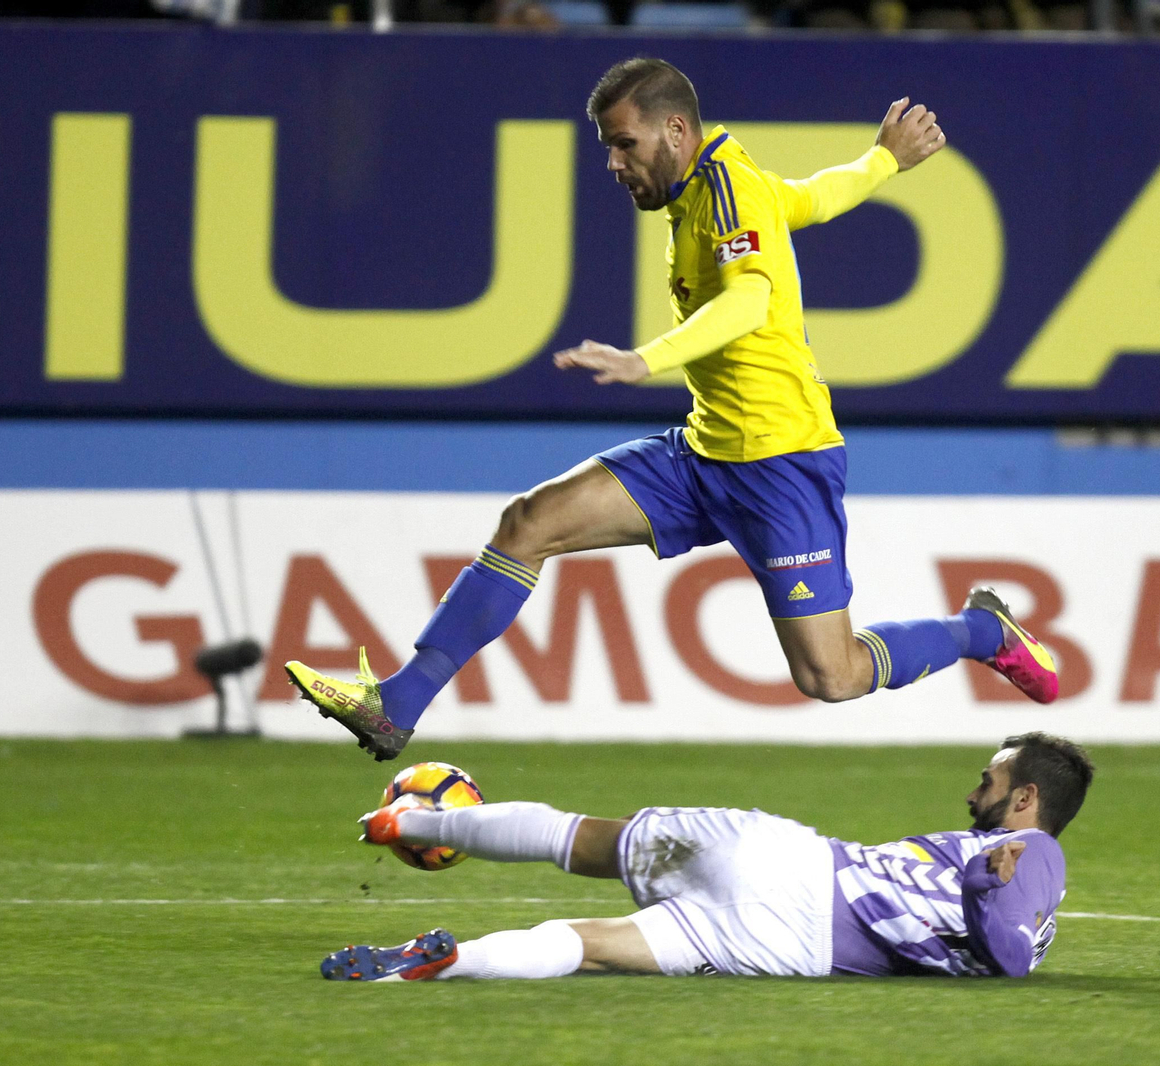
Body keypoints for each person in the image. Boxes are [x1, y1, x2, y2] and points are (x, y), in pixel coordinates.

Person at [284, 57, 1058, 762]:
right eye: (607, 148)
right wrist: (884, 159)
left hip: (782, 463)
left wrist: (643, 360)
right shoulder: (711, 186)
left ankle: (982, 630)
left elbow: (751, 298)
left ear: (675, 129)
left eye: (623, 144)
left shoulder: (725, 190)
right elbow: (808, 202)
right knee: (528, 524)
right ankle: (398, 702)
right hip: (702, 455)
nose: (614, 164)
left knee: (834, 674)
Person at [320, 732, 1094, 981]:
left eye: (988, 782)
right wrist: (980, 895)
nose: (972, 794)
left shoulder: (1030, 855)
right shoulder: (990, 861)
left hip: (783, 864)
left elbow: (1009, 953)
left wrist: (983, 888)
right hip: (788, 948)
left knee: (576, 838)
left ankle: (416, 824)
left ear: (1027, 801)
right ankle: (451, 963)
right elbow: (1008, 950)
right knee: (589, 946)